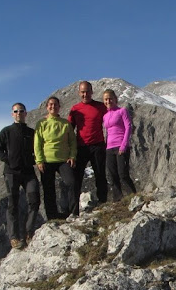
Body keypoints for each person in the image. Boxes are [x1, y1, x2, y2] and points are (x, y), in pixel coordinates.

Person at [0, 102, 40, 250]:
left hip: (28, 171)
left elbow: (38, 149)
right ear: (12, 114)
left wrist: (33, 160)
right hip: (11, 172)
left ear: (26, 113)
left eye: (21, 111)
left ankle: (28, 232)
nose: (19, 113)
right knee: (13, 204)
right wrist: (8, 160)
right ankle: (14, 238)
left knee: (34, 200)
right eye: (16, 111)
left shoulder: (31, 132)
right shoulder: (6, 131)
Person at [34, 96, 78, 220]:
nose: (53, 107)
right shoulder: (41, 124)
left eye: (55, 104)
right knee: (49, 189)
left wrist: (72, 156)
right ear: (47, 107)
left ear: (59, 107)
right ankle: (52, 216)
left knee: (71, 182)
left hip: (63, 160)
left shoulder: (65, 124)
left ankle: (73, 212)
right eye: (51, 104)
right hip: (47, 161)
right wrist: (39, 160)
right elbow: (37, 143)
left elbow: (72, 142)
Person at [68, 81, 107, 212]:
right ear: (79, 93)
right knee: (76, 179)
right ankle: (74, 212)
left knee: (100, 176)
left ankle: (103, 204)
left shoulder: (101, 107)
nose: (85, 94)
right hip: (81, 147)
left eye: (87, 91)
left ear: (92, 91)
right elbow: (69, 129)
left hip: (98, 146)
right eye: (83, 92)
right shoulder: (75, 109)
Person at [103, 89, 137, 201]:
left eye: (110, 98)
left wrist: (124, 145)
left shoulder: (122, 111)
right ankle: (117, 199)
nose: (108, 101)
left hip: (120, 146)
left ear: (115, 99)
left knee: (123, 174)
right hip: (109, 148)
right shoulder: (105, 116)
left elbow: (128, 127)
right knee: (112, 175)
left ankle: (134, 197)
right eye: (106, 99)